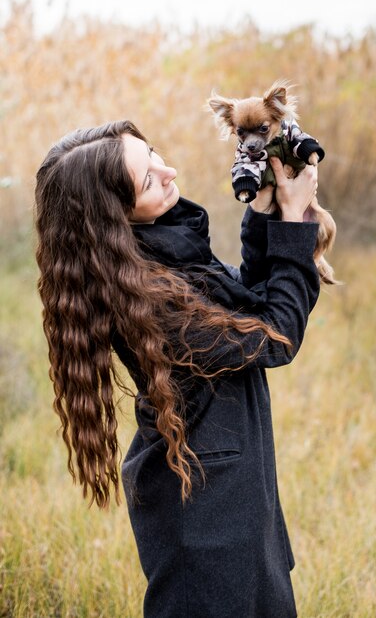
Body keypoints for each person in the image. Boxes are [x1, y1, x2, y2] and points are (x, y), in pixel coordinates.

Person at [35, 119, 320, 618]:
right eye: (148, 180)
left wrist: (261, 210)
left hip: (232, 495)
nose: (168, 172)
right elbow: (275, 332)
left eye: (155, 154)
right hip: (206, 516)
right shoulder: (144, 297)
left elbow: (243, 299)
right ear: (114, 217)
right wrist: (293, 224)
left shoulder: (159, 250)